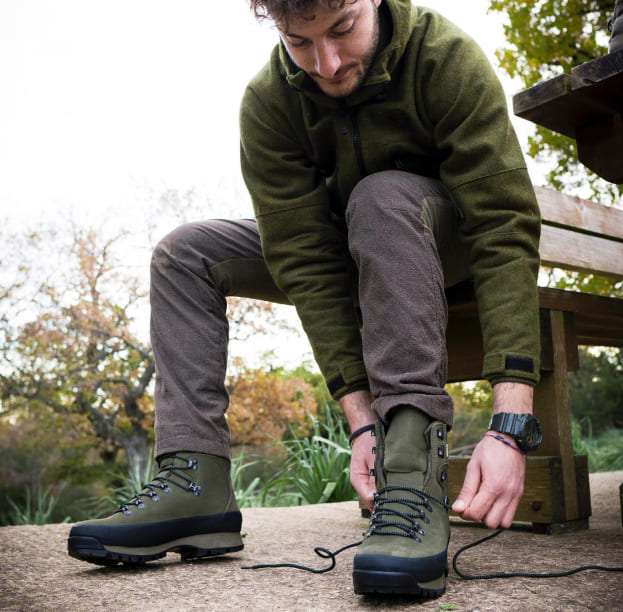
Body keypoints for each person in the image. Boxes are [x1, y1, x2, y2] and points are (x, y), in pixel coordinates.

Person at [68, 0, 543, 599]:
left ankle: (412, 473)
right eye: (300, 42)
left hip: (441, 243)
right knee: (184, 253)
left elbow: (503, 226)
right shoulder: (268, 102)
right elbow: (307, 262)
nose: (327, 62)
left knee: (382, 196)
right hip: (347, 241)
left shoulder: (444, 57)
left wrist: (509, 424)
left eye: (344, 28)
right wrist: (359, 418)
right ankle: (195, 484)